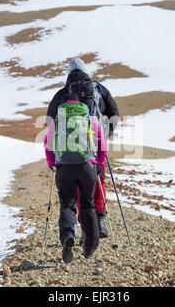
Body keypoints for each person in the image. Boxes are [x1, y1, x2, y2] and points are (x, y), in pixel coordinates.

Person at [46, 58, 119, 239]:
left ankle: (81, 226)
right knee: (97, 179)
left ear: (69, 73)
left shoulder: (62, 93)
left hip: (70, 145)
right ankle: (100, 221)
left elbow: (49, 120)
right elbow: (114, 113)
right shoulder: (99, 89)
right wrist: (106, 133)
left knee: (75, 185)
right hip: (96, 139)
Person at [44, 87, 107, 263]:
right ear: (80, 103)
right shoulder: (89, 118)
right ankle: (90, 247)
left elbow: (48, 145)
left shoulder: (57, 120)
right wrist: (99, 165)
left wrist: (53, 165)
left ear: (63, 104)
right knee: (87, 205)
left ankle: (68, 237)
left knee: (67, 205)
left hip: (64, 168)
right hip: (88, 167)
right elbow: (102, 145)